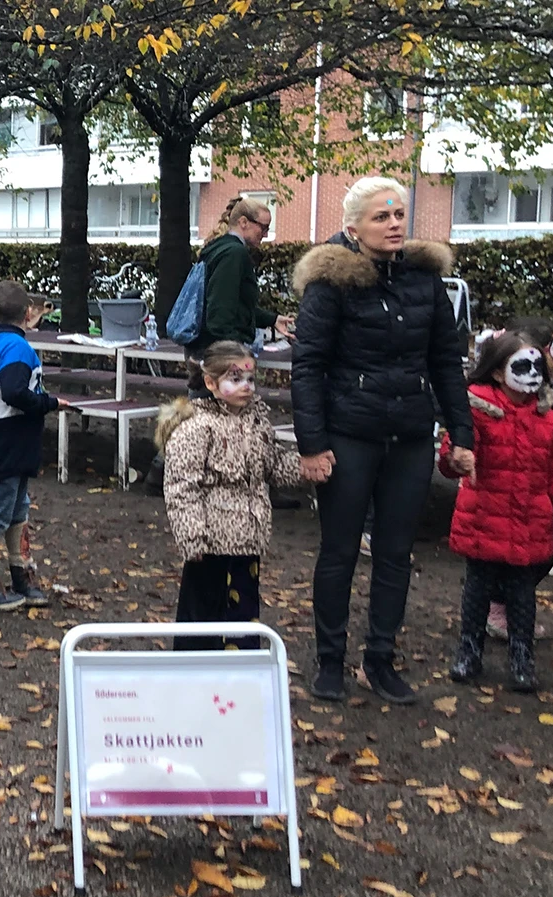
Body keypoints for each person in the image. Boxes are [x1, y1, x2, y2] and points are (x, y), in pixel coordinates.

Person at [291, 176, 474, 705]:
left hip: (410, 437)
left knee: (395, 554)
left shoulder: (425, 279)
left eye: (399, 215)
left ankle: (381, 659)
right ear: (353, 227)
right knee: (340, 551)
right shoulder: (331, 283)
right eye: (381, 217)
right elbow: (308, 367)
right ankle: (330, 660)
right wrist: (312, 443)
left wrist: (461, 431)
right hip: (349, 436)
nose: (394, 224)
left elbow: (445, 362)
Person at [441, 331, 553, 693]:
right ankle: (469, 650)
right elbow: (456, 455)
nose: (532, 373)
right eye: (522, 366)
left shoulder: (549, 420)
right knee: (477, 589)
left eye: (537, 367)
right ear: (498, 373)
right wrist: (457, 455)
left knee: (523, 593)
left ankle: (521, 656)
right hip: (484, 518)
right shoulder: (475, 410)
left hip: (529, 522)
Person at [158, 342, 302, 651]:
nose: (246, 387)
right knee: (204, 617)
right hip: (210, 545)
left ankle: (238, 680)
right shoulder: (196, 428)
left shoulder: (258, 423)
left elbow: (272, 465)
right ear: (211, 382)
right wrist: (192, 536)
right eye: (235, 379)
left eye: (250, 379)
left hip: (246, 542)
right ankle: (197, 677)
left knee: (242, 613)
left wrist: (304, 467)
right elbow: (182, 486)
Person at [0, 280, 62, 610]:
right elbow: (15, 391)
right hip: (3, 443)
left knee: (17, 509)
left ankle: (21, 573)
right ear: (29, 313)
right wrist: (49, 403)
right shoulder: (19, 350)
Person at [478, 316, 553, 641]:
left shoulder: (544, 404)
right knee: (502, 563)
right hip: (495, 499)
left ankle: (506, 610)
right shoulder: (485, 404)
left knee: (542, 554)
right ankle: (496, 610)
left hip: (532, 499)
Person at [190, 196, 295, 366]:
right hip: (220, 354)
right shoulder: (234, 253)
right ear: (244, 222)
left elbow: (237, 305)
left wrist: (272, 319)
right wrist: (233, 355)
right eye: (263, 227)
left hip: (207, 348)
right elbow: (220, 309)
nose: (266, 234)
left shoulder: (219, 247)